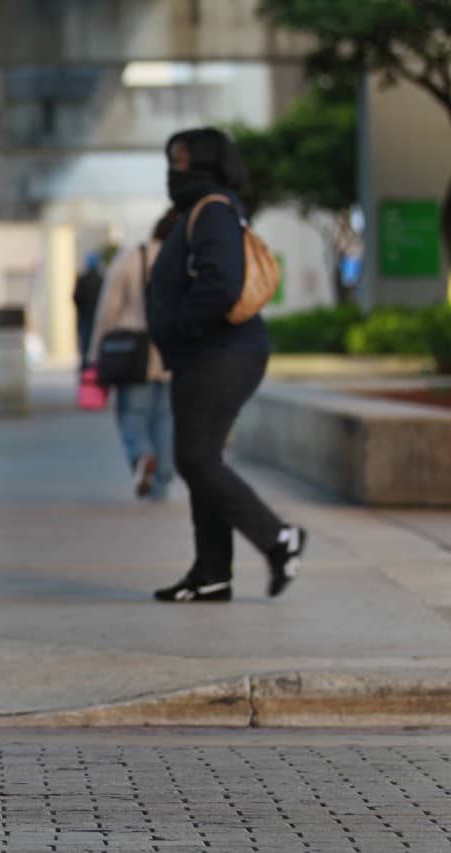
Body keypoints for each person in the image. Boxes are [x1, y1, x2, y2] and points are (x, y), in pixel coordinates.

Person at [145, 126, 307, 603]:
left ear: (206, 163)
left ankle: (279, 538)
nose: (173, 169)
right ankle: (212, 573)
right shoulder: (207, 208)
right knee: (202, 460)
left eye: (180, 160)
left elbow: (220, 283)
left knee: (195, 459)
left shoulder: (212, 209)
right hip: (210, 353)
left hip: (220, 352)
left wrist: (176, 328)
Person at [87, 210, 178, 501]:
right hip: (171, 351)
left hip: (132, 350)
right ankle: (160, 486)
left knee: (132, 413)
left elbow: (108, 306)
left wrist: (95, 349)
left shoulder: (132, 257)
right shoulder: (185, 259)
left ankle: (141, 454)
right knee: (164, 418)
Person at [73, 251, 104, 370]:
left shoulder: (82, 279)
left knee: (85, 349)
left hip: (85, 318)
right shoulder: (102, 279)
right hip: (97, 319)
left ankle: (86, 375)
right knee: (96, 348)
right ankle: (95, 372)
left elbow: (76, 298)